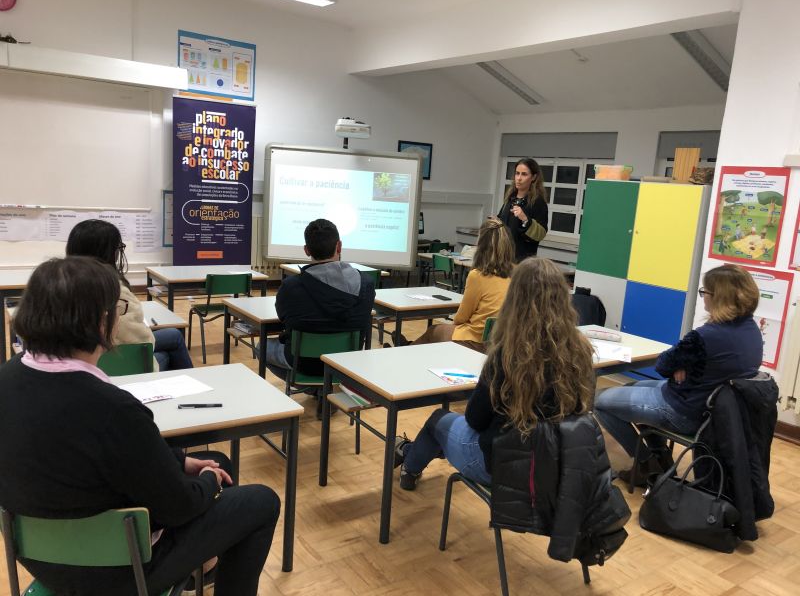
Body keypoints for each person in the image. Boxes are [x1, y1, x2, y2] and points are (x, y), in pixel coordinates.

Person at [0, 257, 280, 596]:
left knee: (218, 460)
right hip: (119, 569)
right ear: (101, 322)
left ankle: (200, 570)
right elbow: (177, 507)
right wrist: (208, 480)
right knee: (261, 501)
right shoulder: (113, 409)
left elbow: (108, 455)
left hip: (39, 559)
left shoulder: (8, 377)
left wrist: (181, 461)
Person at [394, 258, 596, 490]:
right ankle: (413, 452)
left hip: (501, 468)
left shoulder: (508, 353)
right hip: (556, 469)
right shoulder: (581, 351)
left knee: (438, 421)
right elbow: (583, 410)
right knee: (447, 430)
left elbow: (475, 418)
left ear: (515, 298)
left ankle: (409, 462)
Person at [594, 264, 763, 486]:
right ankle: (660, 455)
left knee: (599, 402)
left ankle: (646, 463)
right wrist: (680, 365)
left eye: (705, 292)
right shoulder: (751, 330)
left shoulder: (706, 336)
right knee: (630, 389)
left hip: (685, 411)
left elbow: (663, 364)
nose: (703, 297)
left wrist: (677, 365)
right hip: (711, 410)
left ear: (719, 298)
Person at [66, 219, 193, 371]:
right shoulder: (115, 292)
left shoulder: (61, 285)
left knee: (173, 334)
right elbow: (143, 342)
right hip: (112, 366)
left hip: (77, 363)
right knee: (168, 351)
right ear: (110, 253)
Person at [265, 218, 376, 381]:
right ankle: (326, 388)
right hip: (347, 364)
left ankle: (309, 386)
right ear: (339, 246)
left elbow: (284, 319)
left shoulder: (290, 287)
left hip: (303, 364)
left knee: (261, 346)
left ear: (306, 250)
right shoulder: (366, 284)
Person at [410, 218, 514, 352]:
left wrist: (454, 324)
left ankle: (404, 351)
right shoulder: (517, 274)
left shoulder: (478, 275)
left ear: (481, 246)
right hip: (503, 341)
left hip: (477, 340)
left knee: (433, 331)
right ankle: (408, 345)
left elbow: (462, 317)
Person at [496, 158, 549, 261]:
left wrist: (525, 220)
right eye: (517, 173)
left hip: (523, 261)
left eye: (524, 174)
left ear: (533, 177)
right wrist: (494, 222)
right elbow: (501, 222)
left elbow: (541, 234)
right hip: (503, 258)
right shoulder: (511, 198)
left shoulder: (538, 202)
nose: (519, 178)